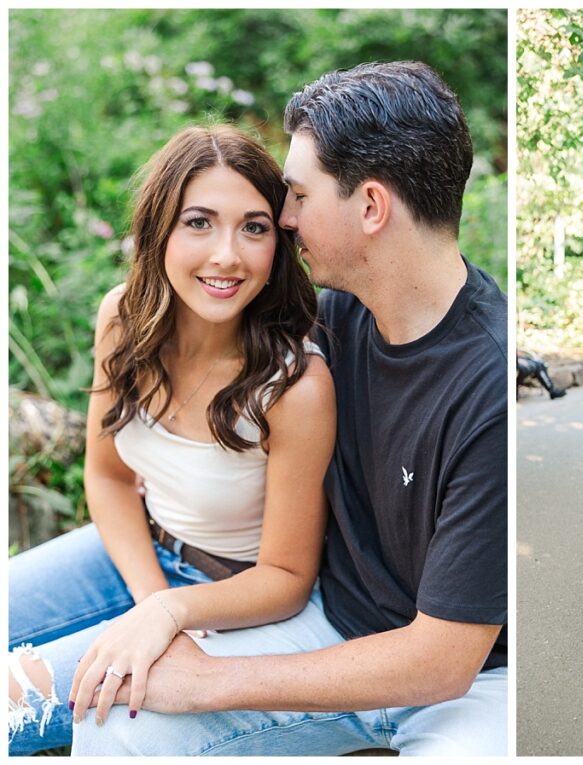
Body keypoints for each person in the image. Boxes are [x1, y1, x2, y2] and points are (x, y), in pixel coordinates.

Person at [72, 61, 508, 756]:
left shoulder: (488, 389)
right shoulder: (337, 314)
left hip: (470, 682)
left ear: (370, 207)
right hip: (331, 623)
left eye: (298, 195)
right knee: (125, 731)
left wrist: (208, 681)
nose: (285, 217)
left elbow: (442, 659)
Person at [8, 124, 335, 754]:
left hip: (232, 598)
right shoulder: (123, 318)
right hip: (136, 555)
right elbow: (106, 479)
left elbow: (289, 575)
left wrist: (170, 617)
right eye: (199, 222)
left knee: (9, 703)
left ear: (278, 242)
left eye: (255, 227)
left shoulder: (294, 386)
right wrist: (151, 606)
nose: (227, 256)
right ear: (160, 228)